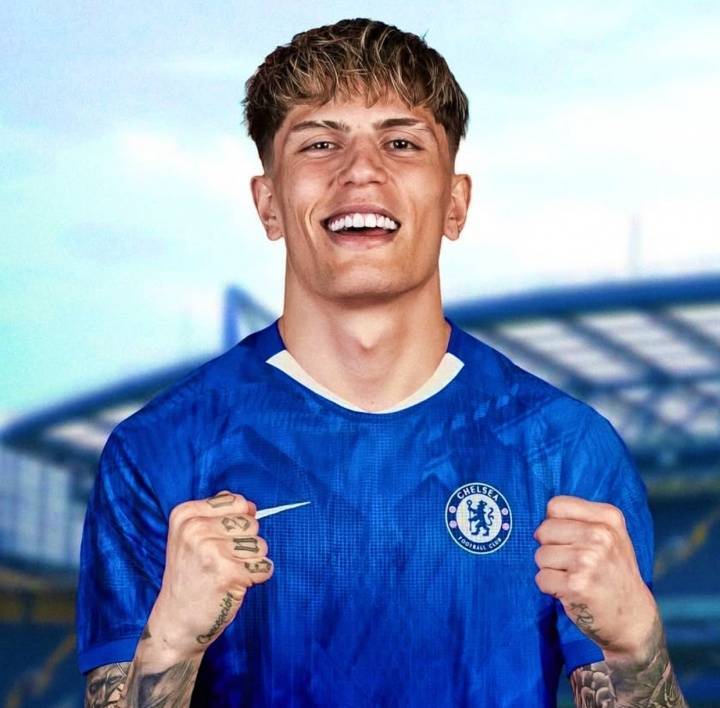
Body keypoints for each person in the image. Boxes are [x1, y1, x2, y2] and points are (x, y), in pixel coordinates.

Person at [78, 18, 688, 707]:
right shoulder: (157, 451)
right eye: (320, 143)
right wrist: (170, 644)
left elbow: (626, 678)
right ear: (269, 204)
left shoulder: (564, 449)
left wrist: (638, 651)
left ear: (455, 203)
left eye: (401, 142)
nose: (361, 170)